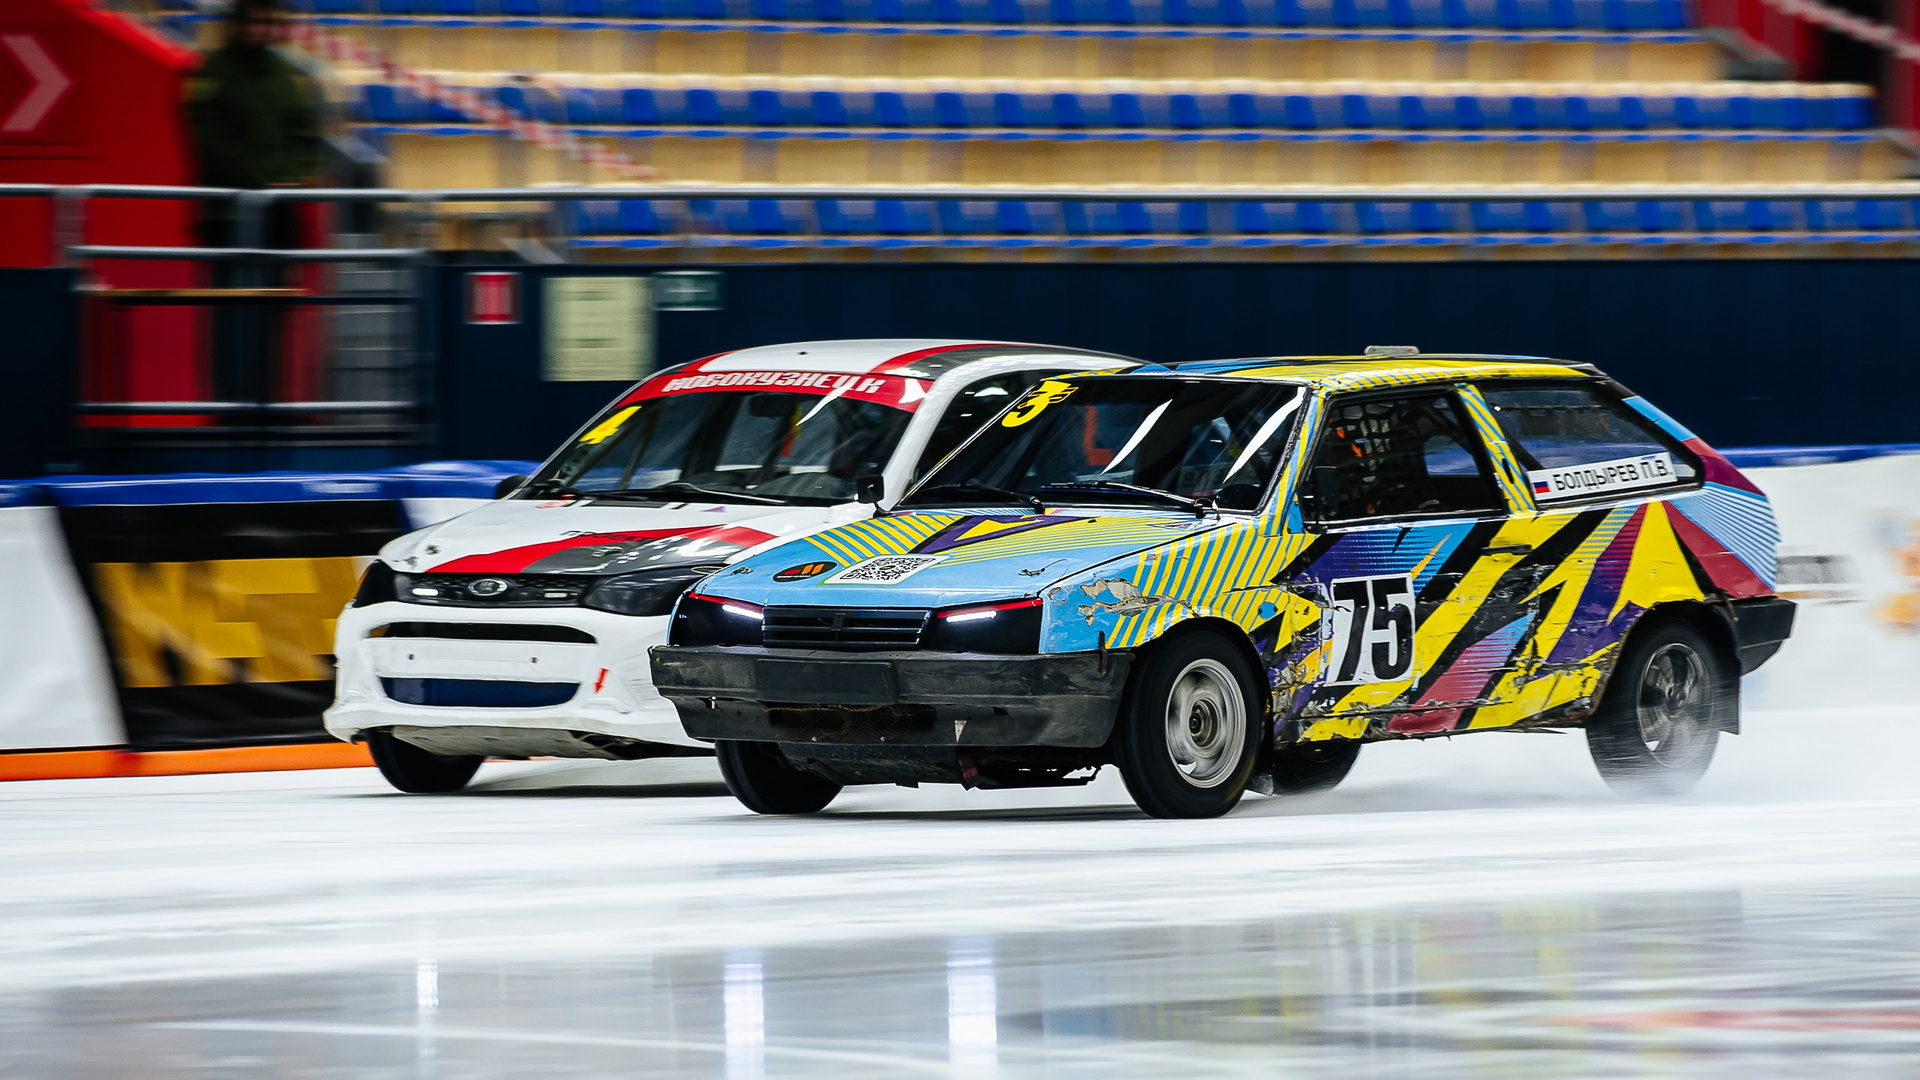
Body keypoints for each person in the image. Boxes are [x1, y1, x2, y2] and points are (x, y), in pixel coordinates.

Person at [183, 0, 323, 406]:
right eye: (252, 21)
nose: (260, 29)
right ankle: (228, 408)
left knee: (273, 313)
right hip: (226, 218)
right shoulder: (210, 73)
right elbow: (210, 143)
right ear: (235, 23)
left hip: (279, 217)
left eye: (267, 21)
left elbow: (307, 139)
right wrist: (263, 180)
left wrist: (292, 177)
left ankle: (267, 407)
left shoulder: (288, 76)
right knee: (227, 313)